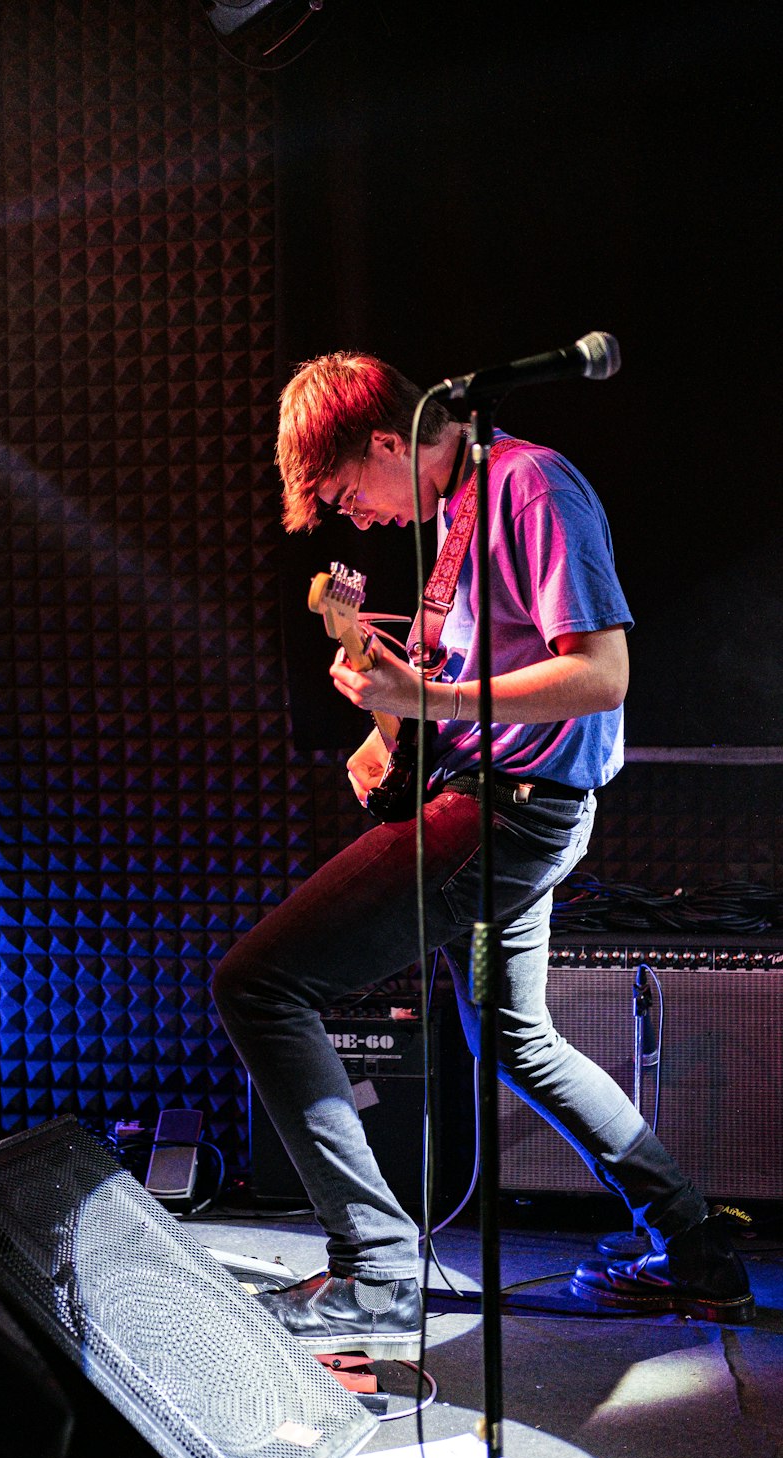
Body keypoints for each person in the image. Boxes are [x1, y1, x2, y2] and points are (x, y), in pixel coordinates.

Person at [212, 351, 753, 1358]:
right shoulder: (461, 512)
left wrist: (432, 703)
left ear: (385, 440)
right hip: (508, 800)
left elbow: (599, 675)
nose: (355, 519)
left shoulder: (528, 483)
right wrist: (387, 714)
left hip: (509, 812)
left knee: (258, 984)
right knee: (518, 1038)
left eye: (347, 493)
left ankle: (374, 1272)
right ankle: (692, 1249)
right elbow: (463, 682)